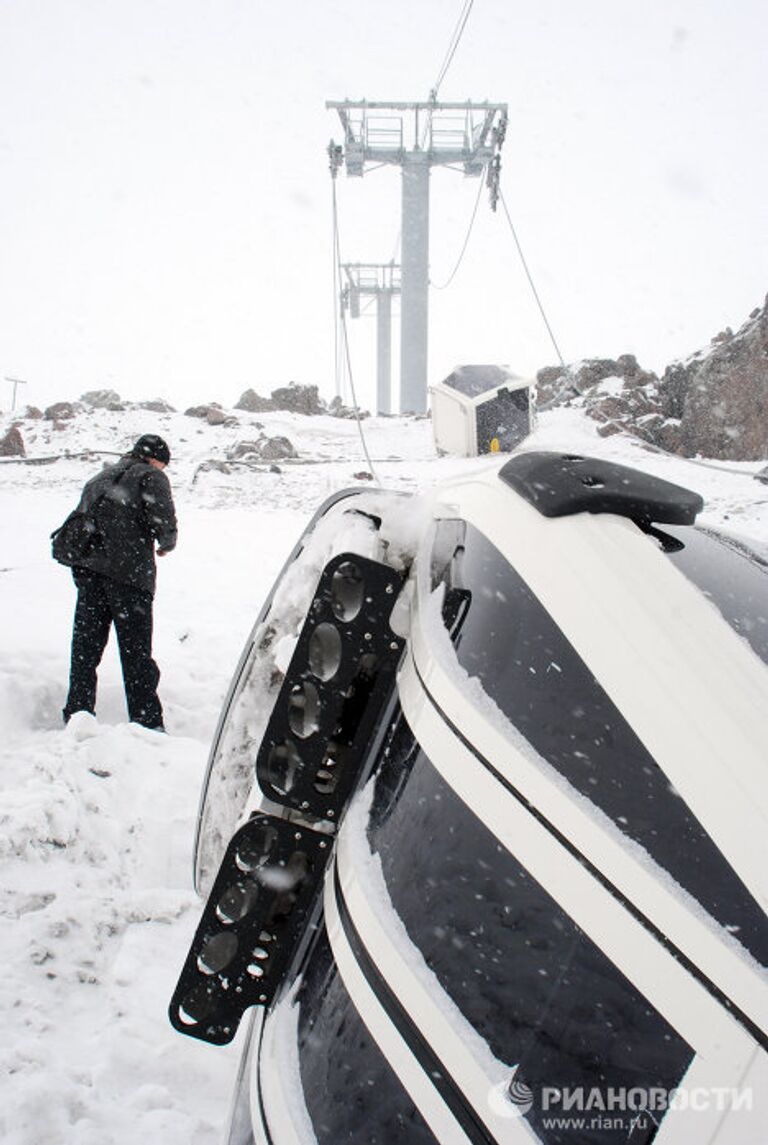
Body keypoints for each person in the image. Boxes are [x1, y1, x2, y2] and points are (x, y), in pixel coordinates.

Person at [63, 433, 177, 731]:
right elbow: (163, 517)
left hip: (90, 573)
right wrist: (167, 541)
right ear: (156, 459)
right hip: (129, 575)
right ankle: (146, 722)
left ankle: (78, 712)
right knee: (136, 652)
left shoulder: (102, 476)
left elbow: (81, 518)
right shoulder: (151, 477)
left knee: (86, 648)